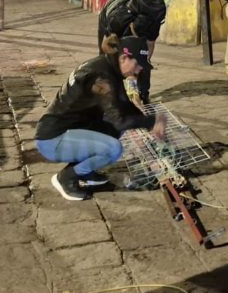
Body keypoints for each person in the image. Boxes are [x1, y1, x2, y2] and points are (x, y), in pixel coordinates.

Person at [35, 34, 165, 200]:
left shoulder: (108, 66)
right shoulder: (101, 77)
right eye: (138, 64)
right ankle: (67, 177)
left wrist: (149, 121)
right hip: (53, 140)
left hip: (72, 130)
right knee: (113, 149)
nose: (139, 70)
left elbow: (122, 105)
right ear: (124, 58)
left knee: (112, 130)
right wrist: (152, 121)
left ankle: (85, 171)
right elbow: (120, 120)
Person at [97, 0, 167, 103]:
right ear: (132, 26)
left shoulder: (153, 22)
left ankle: (143, 95)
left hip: (134, 23)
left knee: (142, 62)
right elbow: (107, 47)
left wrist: (140, 63)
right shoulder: (118, 20)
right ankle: (109, 94)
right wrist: (126, 68)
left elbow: (149, 49)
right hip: (108, 18)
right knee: (106, 60)